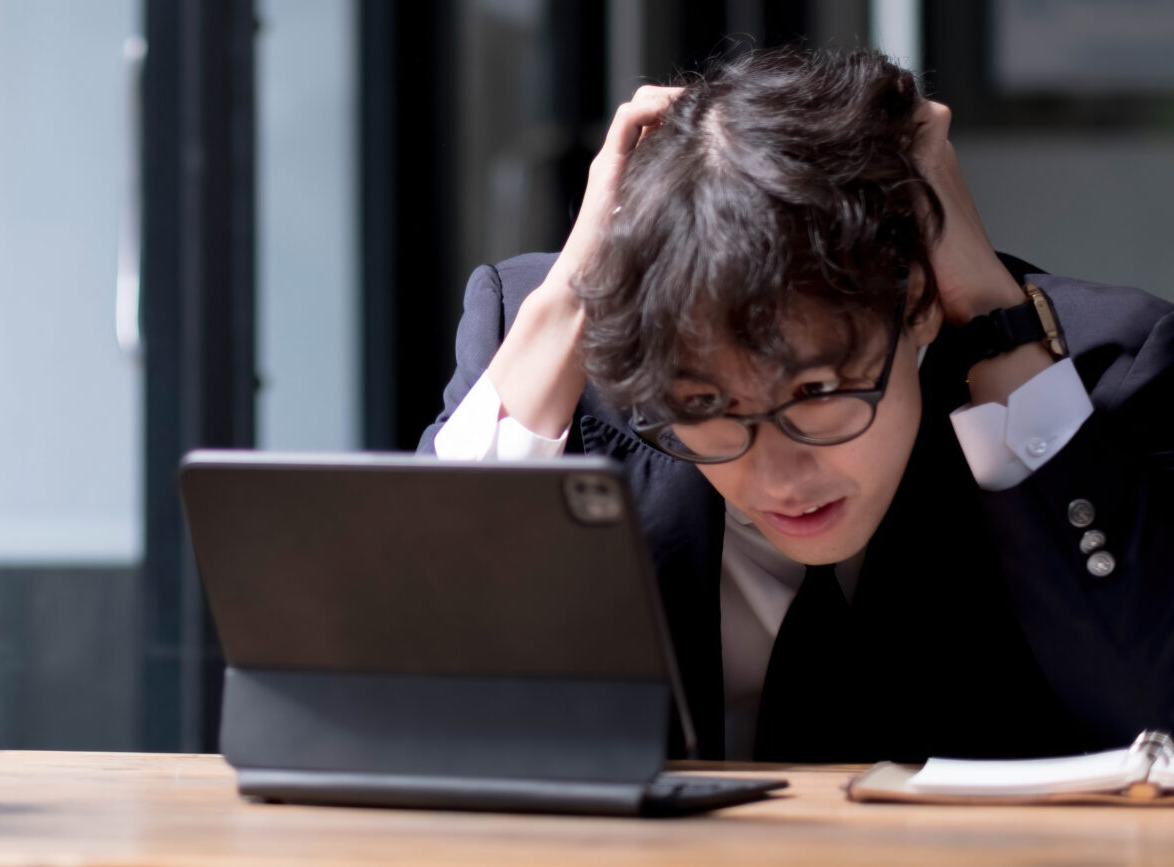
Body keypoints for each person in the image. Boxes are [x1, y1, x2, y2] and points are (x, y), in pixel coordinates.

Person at [420, 46, 1174, 762]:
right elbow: (403, 689)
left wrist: (990, 320)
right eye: (705, 404)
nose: (779, 474)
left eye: (817, 394)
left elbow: (1155, 710)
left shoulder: (1092, 373)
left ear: (913, 298)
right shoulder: (557, 356)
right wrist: (567, 304)